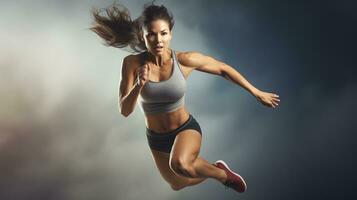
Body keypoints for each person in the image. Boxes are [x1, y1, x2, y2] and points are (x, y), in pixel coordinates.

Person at [89, 1, 280, 193]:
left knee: (181, 164)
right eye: (152, 34)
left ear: (170, 34)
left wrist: (256, 92)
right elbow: (124, 110)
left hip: (185, 128)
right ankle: (216, 167)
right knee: (178, 184)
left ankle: (223, 176)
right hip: (156, 138)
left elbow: (223, 69)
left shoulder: (184, 60)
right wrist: (139, 85)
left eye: (163, 33)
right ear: (143, 36)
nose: (158, 40)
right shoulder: (131, 64)